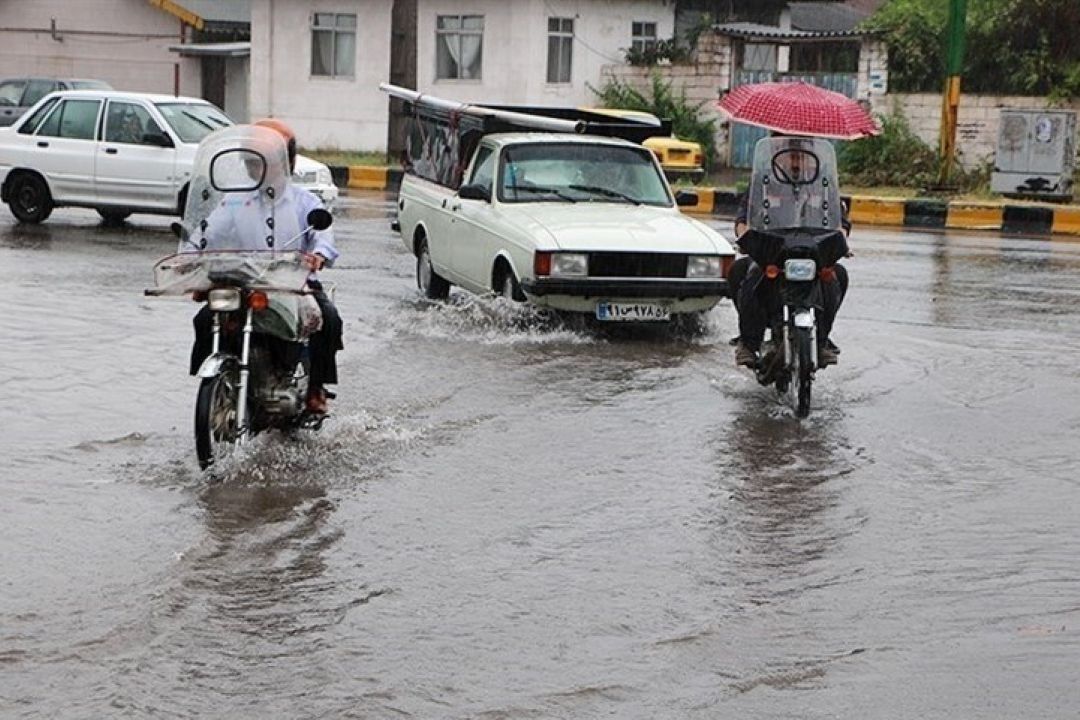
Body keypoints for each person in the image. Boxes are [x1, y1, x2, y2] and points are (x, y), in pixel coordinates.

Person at [189, 119, 343, 415]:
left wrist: (319, 255)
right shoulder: (235, 201)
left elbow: (323, 236)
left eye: (261, 163)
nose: (254, 169)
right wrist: (192, 251)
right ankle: (214, 386)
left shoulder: (305, 201)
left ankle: (315, 389)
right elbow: (208, 231)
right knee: (204, 320)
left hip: (293, 284)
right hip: (245, 282)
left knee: (330, 319)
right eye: (250, 162)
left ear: (285, 163)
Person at [730, 140, 850, 369]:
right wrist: (745, 238)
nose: (796, 161)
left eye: (801, 155)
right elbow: (743, 219)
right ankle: (748, 342)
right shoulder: (762, 182)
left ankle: (822, 340)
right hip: (772, 251)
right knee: (746, 274)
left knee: (837, 276)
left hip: (813, 251)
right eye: (791, 155)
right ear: (778, 154)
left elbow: (840, 221)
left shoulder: (824, 183)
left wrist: (841, 240)